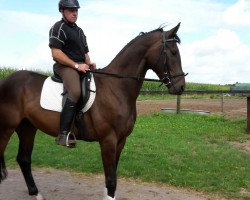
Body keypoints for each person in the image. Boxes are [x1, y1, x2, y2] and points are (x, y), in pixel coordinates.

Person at [49, 0, 96, 148]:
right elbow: (56, 53)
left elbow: (85, 54)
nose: (74, 13)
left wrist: (89, 63)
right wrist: (76, 65)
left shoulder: (80, 31)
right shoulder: (58, 27)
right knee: (75, 91)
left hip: (81, 66)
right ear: (62, 11)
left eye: (76, 10)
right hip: (65, 67)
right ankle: (63, 134)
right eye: (70, 10)